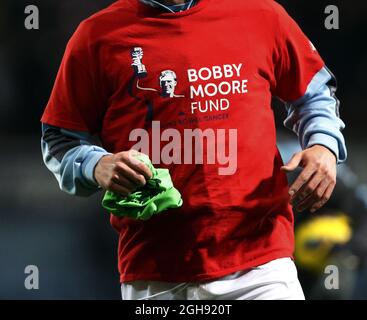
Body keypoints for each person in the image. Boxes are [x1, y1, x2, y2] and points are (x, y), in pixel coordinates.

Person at [41, 0, 347, 300]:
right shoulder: (97, 36)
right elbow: (59, 138)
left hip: (261, 268)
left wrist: (323, 145)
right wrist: (96, 165)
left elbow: (315, 93)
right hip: (155, 274)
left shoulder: (260, 14)